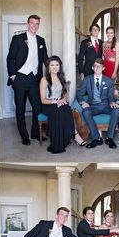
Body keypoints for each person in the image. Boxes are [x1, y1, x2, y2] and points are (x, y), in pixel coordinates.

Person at [7, 14, 48, 145]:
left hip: (35, 78)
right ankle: (24, 135)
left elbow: (46, 60)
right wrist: (13, 76)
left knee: (38, 107)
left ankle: (35, 133)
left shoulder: (41, 40)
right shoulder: (18, 38)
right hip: (20, 78)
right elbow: (10, 58)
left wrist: (52, 72)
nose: (34, 26)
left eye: (37, 24)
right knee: (20, 107)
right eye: (32, 23)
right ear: (27, 24)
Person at [77, 58, 119, 149]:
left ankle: (109, 138)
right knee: (85, 111)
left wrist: (112, 102)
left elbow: (110, 96)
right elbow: (80, 94)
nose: (97, 68)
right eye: (95, 66)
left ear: (103, 68)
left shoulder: (108, 81)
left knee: (117, 110)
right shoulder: (87, 79)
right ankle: (97, 138)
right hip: (93, 106)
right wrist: (83, 102)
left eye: (100, 66)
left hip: (106, 106)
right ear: (92, 68)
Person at [39, 55, 75, 153]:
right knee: (59, 111)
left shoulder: (61, 77)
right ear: (48, 67)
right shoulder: (44, 80)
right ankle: (58, 143)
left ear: (60, 67)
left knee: (66, 108)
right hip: (48, 105)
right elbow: (43, 100)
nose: (55, 67)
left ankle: (65, 139)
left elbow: (64, 94)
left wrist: (63, 100)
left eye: (57, 65)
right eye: (52, 65)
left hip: (59, 103)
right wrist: (57, 101)